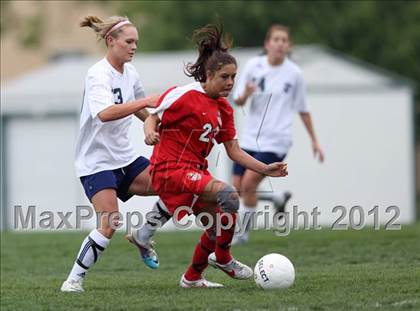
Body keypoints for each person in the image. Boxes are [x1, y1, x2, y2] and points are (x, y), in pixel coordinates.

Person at [143, 23, 288, 288]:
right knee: (229, 195)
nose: (231, 83)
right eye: (225, 77)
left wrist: (265, 169)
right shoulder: (185, 94)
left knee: (214, 226)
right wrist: (150, 132)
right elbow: (153, 115)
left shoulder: (224, 109)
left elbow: (233, 151)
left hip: (194, 172)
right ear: (209, 75)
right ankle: (222, 257)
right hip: (169, 168)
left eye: (234, 77)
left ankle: (192, 277)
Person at [61, 15, 169, 293]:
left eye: (136, 42)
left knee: (174, 186)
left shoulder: (130, 73)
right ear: (111, 41)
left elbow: (143, 110)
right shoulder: (98, 74)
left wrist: (153, 122)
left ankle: (143, 237)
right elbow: (105, 113)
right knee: (110, 223)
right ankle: (73, 280)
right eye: (129, 41)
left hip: (125, 158)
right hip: (96, 162)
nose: (134, 47)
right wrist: (145, 103)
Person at [231, 24, 325, 245]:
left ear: (289, 45)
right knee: (236, 189)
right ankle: (276, 197)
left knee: (248, 185)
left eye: (284, 40)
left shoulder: (294, 74)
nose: (280, 43)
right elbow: (237, 100)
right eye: (276, 39)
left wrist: (315, 141)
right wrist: (246, 93)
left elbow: (303, 109)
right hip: (250, 138)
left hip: (277, 141)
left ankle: (242, 234)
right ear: (267, 44)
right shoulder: (254, 65)